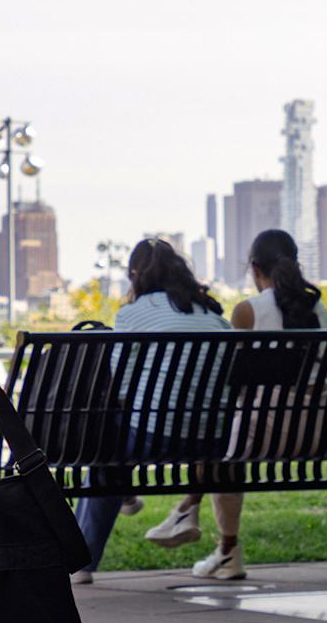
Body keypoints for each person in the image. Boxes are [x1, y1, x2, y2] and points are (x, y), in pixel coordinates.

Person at [144, 227, 324, 581]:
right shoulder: (318, 308)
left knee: (216, 433)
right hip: (319, 432)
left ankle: (194, 516)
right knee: (229, 434)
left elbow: (229, 378)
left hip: (267, 435)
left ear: (255, 270)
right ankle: (207, 534)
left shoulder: (247, 311)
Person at [73, 238, 228, 582]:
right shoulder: (216, 319)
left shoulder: (131, 314)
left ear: (135, 276)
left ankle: (83, 561)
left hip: (155, 438)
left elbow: (121, 387)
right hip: (210, 441)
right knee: (116, 445)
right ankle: (124, 494)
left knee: (104, 453)